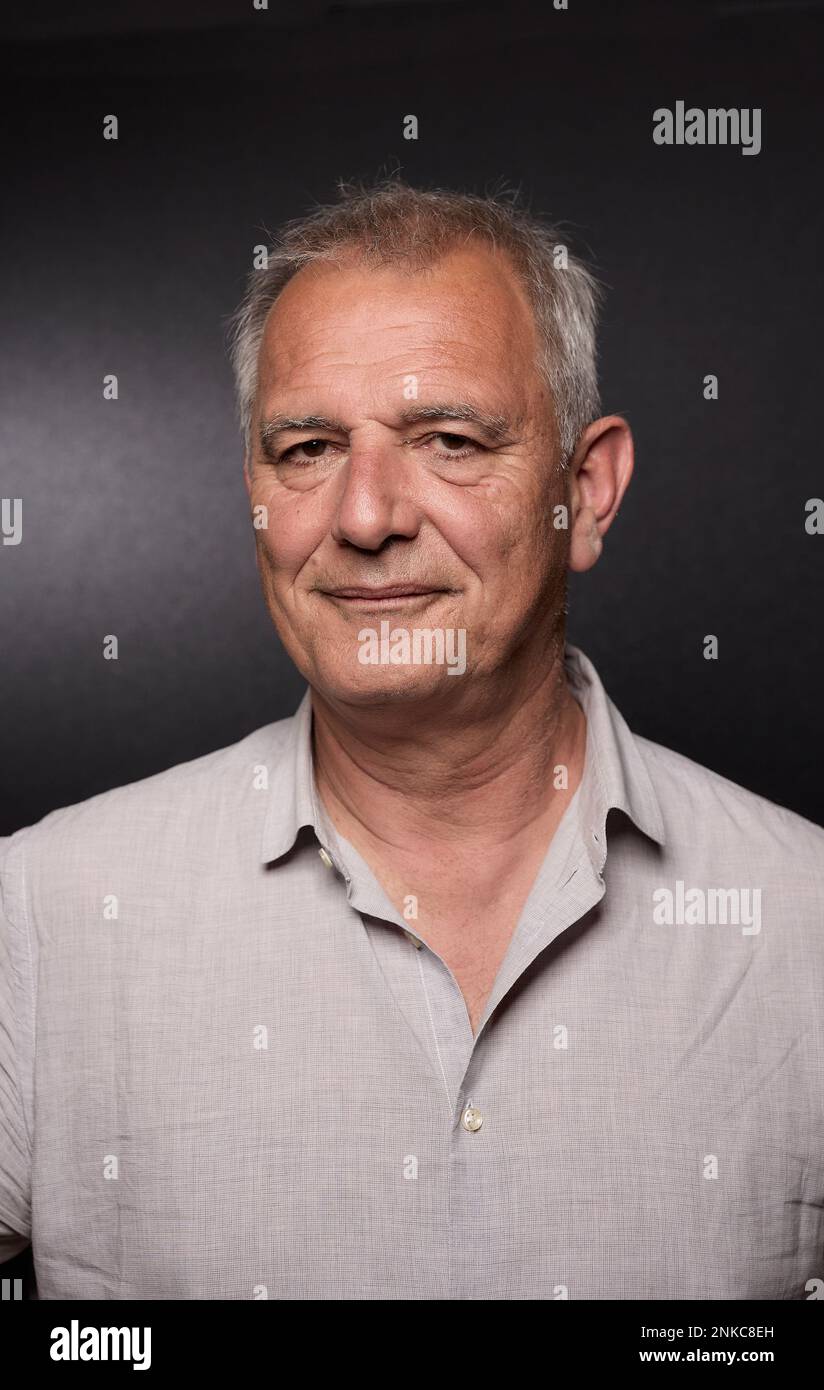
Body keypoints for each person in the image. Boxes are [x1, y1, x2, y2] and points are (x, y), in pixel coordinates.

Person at [1, 179, 822, 1300]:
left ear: (583, 494)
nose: (365, 516)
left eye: (446, 439)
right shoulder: (42, 914)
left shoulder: (803, 924)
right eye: (305, 448)